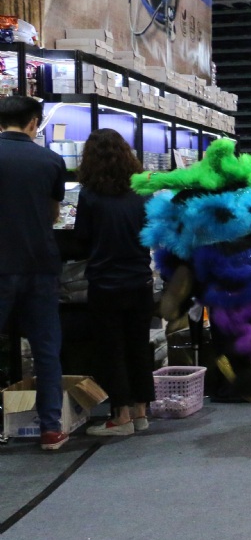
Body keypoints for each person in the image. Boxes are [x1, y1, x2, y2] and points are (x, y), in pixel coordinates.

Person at [73, 129, 154, 437]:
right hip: (140, 280)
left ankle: (120, 417)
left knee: (112, 349)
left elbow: (82, 238)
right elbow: (151, 231)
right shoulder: (142, 191)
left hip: (105, 282)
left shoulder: (89, 195)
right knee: (139, 346)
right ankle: (141, 412)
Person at [0, 96, 68, 450]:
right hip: (41, 264)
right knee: (46, 349)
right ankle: (51, 429)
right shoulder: (51, 160)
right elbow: (54, 214)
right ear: (34, 123)